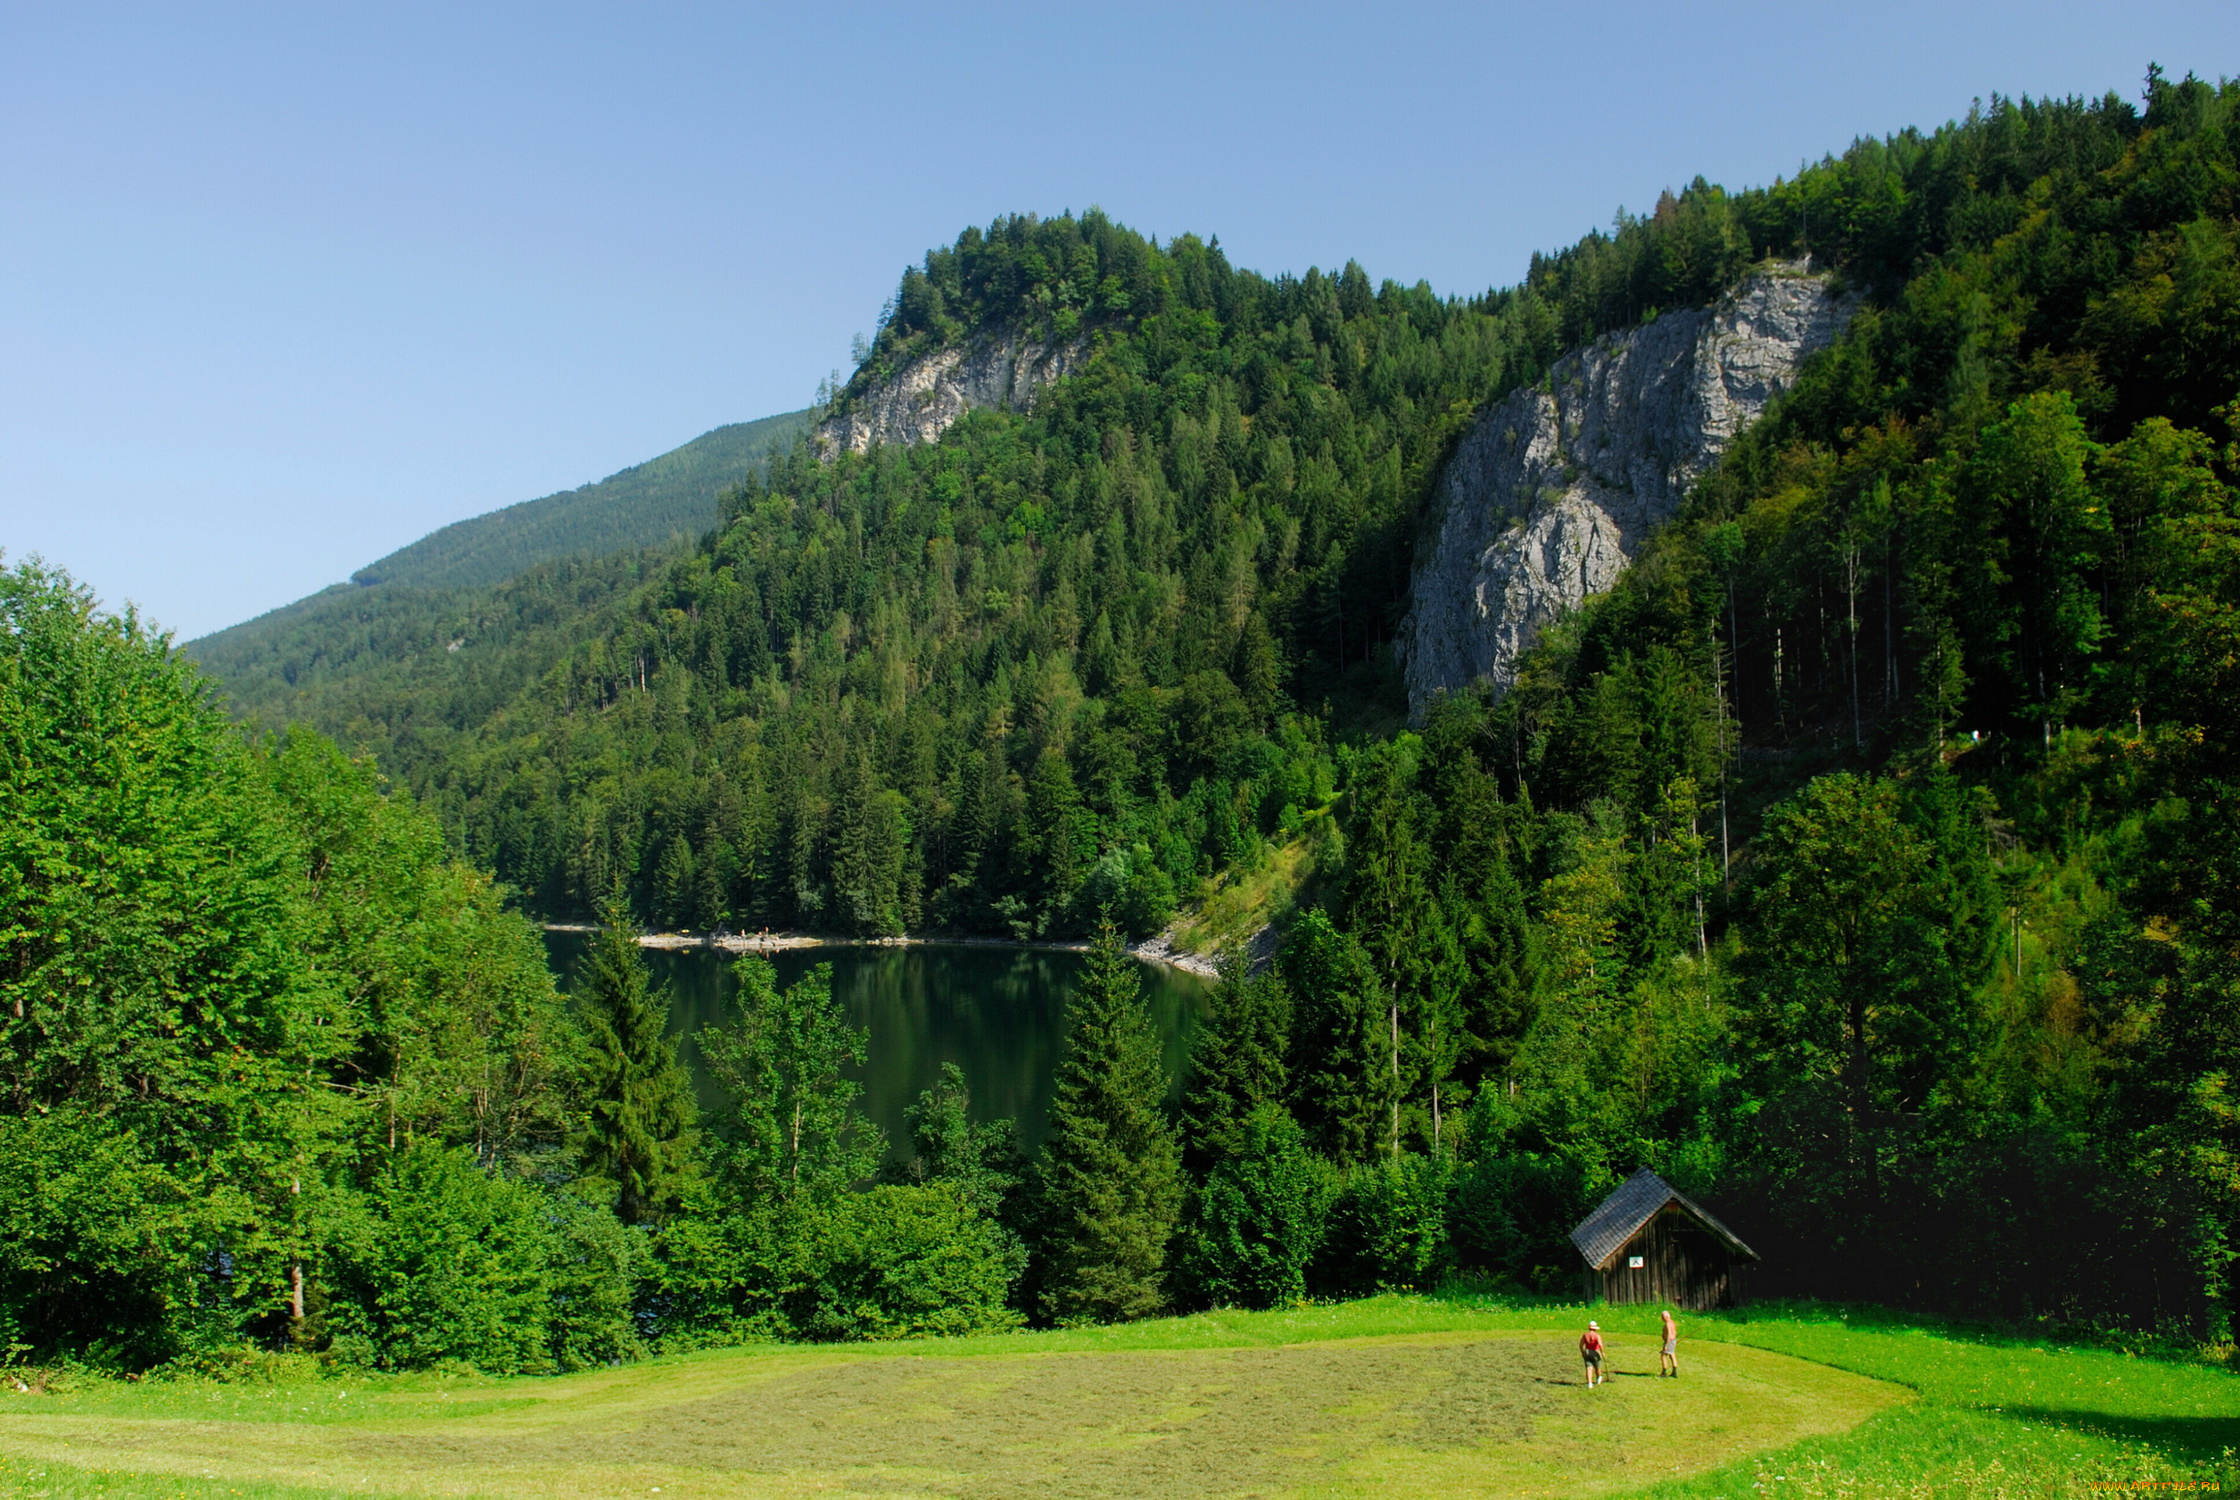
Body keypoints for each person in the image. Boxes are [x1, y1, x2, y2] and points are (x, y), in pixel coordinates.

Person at [1580, 1319, 1605, 1388]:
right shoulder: (1597, 1335)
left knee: (1589, 1368)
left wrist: (1583, 1352)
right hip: (1595, 1352)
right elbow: (1600, 1345)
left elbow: (1581, 1345)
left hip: (1587, 1351)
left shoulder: (1585, 1335)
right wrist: (1602, 1352)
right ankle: (1599, 1378)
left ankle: (1590, 1383)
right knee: (1597, 1366)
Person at [1660, 1308, 1679, 1378]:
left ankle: (1664, 1372)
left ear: (1667, 1316)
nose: (1662, 1318)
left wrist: (1666, 1345)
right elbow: (1674, 1332)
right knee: (1672, 1355)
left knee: (1663, 1356)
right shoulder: (1672, 1322)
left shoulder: (1668, 1324)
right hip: (1673, 1340)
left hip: (1669, 1341)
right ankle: (1674, 1372)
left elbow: (1668, 1334)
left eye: (1662, 1317)